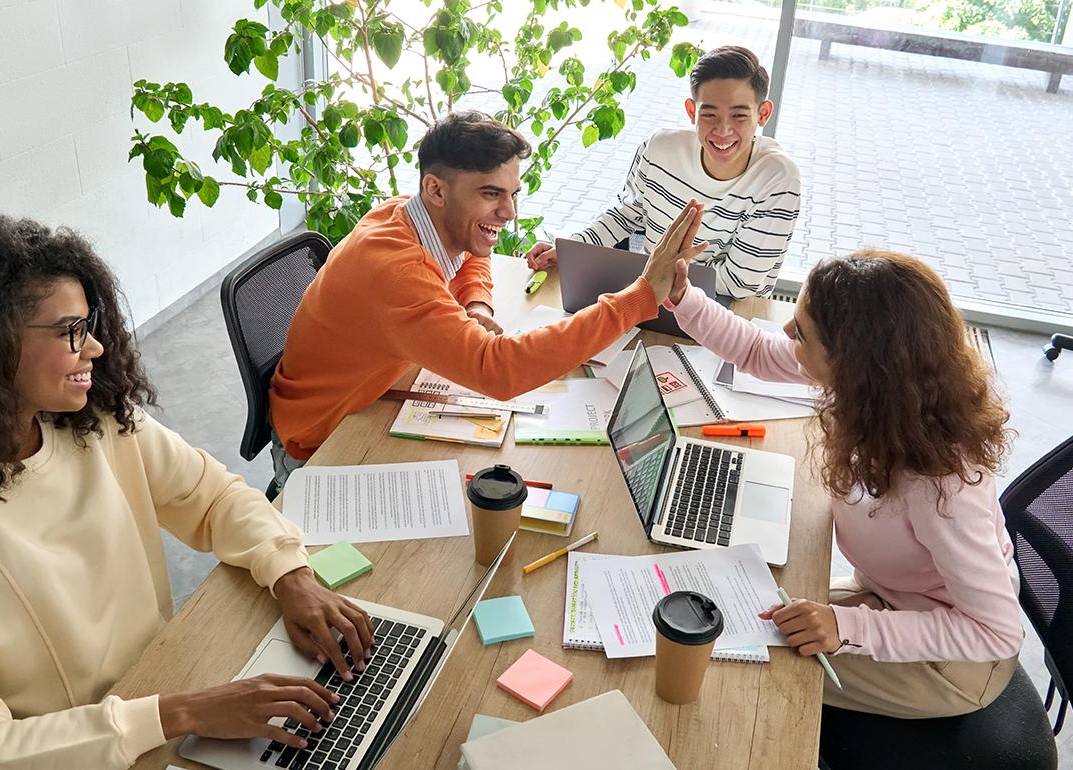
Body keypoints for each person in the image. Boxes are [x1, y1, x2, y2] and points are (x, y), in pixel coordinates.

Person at [0, 215, 376, 768]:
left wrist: (291, 573)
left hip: (165, 690)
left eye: (91, 324)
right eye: (72, 330)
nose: (96, 347)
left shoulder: (94, 424)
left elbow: (216, 497)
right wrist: (184, 713)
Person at [665, 249, 1022, 718]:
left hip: (954, 662)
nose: (787, 333)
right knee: (731, 616)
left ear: (853, 361)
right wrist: (682, 297)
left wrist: (847, 625)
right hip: (889, 600)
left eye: (802, 331)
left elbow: (995, 632)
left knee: (736, 661)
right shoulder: (877, 391)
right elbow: (755, 350)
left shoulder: (941, 486)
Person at [269, 110, 706, 482]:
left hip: (373, 398)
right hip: (320, 446)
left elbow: (469, 250)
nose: (509, 213)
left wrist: (475, 303)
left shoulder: (407, 213)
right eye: (491, 194)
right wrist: (639, 297)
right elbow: (499, 371)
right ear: (435, 190)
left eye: (513, 194)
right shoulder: (396, 271)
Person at [526, 45, 801, 300]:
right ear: (692, 111)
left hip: (724, 313)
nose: (723, 130)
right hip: (652, 298)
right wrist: (573, 249)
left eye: (739, 115)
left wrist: (655, 275)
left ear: (763, 114)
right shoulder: (659, 148)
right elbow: (628, 215)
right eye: (709, 114)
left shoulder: (778, 178)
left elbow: (740, 284)